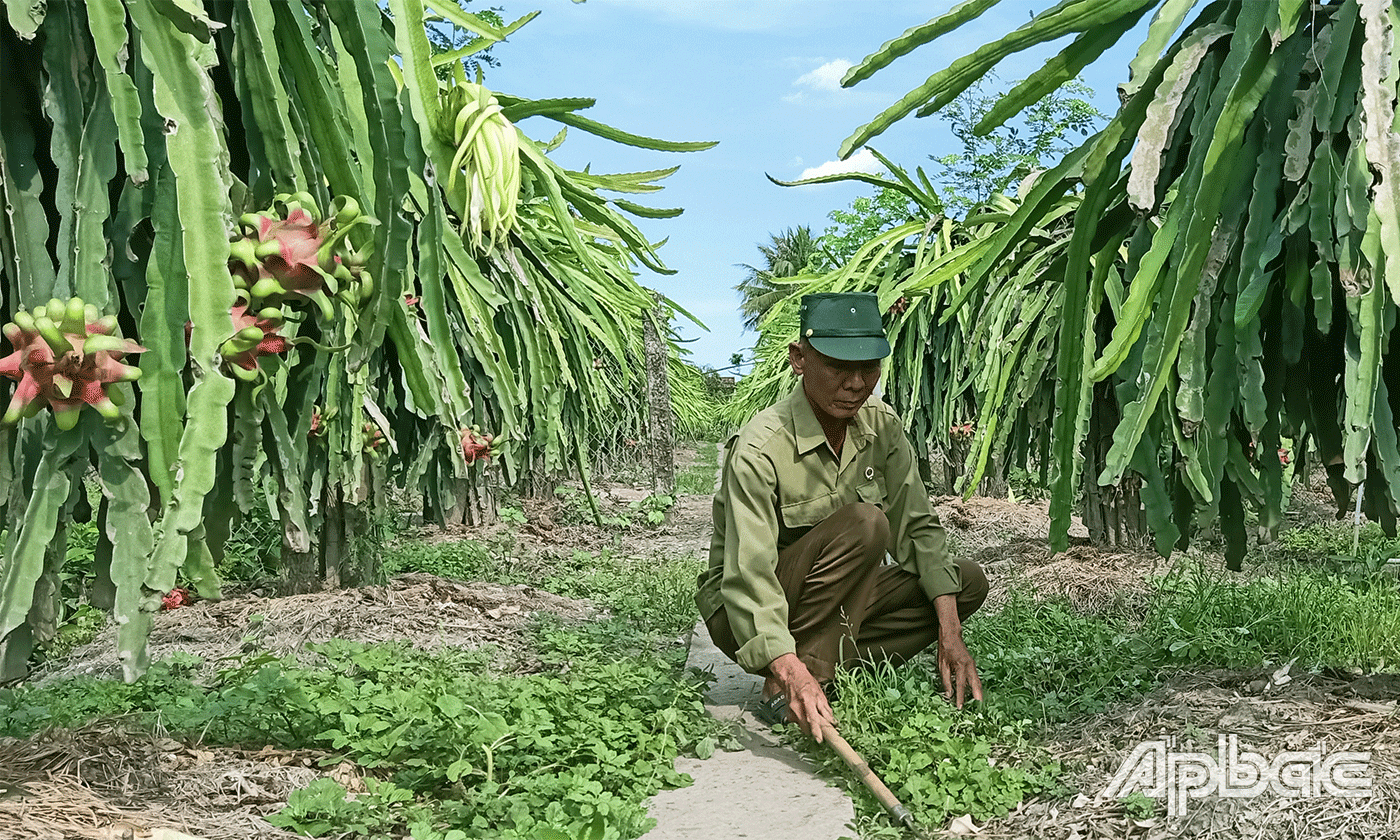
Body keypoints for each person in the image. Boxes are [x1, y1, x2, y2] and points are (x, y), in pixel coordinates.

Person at [696, 292, 988, 742]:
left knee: (962, 582)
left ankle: (819, 668)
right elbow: (747, 576)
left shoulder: (882, 426)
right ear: (800, 359)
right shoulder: (759, 448)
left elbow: (917, 526)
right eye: (837, 366)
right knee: (865, 523)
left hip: (837, 604)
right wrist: (787, 666)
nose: (855, 383)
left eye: (868, 368)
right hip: (749, 610)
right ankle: (797, 674)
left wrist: (951, 635)